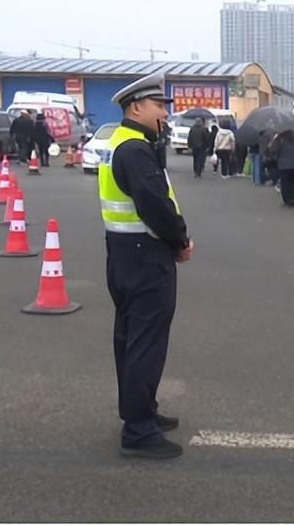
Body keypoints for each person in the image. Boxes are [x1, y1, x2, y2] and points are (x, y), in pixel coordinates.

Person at [100, 72, 192, 459]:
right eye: (159, 107)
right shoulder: (135, 149)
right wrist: (180, 240)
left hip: (123, 255)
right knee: (145, 344)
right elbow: (154, 204)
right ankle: (138, 431)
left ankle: (141, 411)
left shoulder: (121, 142)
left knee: (130, 338)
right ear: (136, 107)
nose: (164, 116)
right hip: (145, 257)